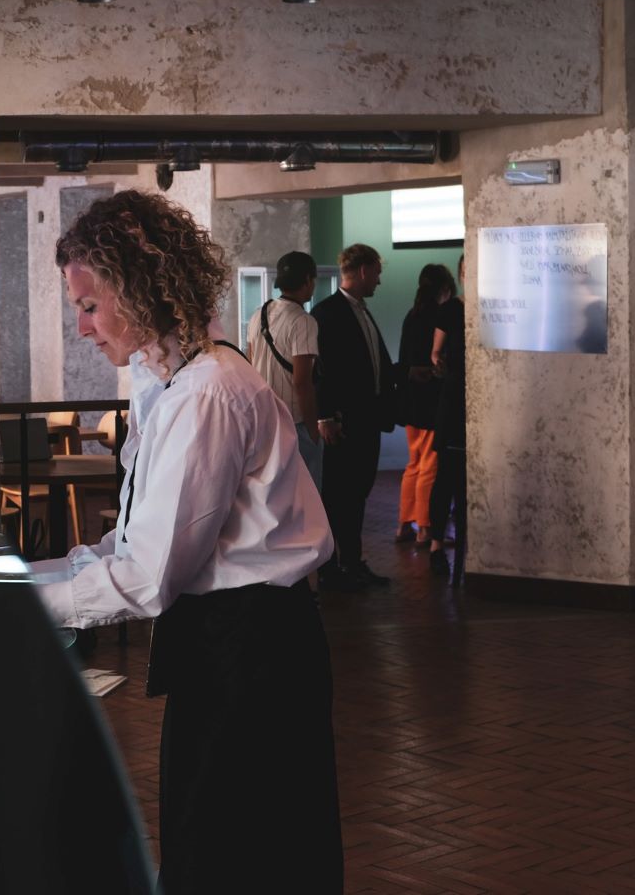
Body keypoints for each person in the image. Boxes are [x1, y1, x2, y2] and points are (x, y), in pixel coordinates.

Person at [35, 190, 342, 894]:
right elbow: (128, 544)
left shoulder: (206, 393)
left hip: (253, 652)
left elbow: (146, 577)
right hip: (228, 644)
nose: (82, 327)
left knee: (237, 859)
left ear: (139, 291)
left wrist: (15, 602)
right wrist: (20, 576)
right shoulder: (168, 380)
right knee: (214, 850)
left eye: (90, 305)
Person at [311, 243, 397, 590]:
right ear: (363, 271)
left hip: (366, 419)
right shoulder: (327, 313)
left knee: (358, 492)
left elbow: (371, 364)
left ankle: (351, 562)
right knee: (340, 495)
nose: (378, 280)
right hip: (344, 422)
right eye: (376, 272)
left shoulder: (361, 311)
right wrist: (325, 416)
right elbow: (321, 370)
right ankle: (334, 566)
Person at [246, 250, 323, 490]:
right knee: (305, 494)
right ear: (308, 280)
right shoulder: (303, 321)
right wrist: (313, 429)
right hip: (293, 422)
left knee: (271, 494)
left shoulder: (258, 315)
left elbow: (249, 366)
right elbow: (302, 382)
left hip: (262, 419)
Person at [395, 264, 456, 545]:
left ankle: (403, 524)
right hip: (433, 400)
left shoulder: (411, 315)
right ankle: (425, 527)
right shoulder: (440, 316)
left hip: (411, 401)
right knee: (431, 464)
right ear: (445, 288)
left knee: (414, 462)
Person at [428, 253, 467, 582]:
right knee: (446, 476)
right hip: (455, 401)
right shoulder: (451, 309)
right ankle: (436, 544)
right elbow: (436, 354)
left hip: (481, 401)